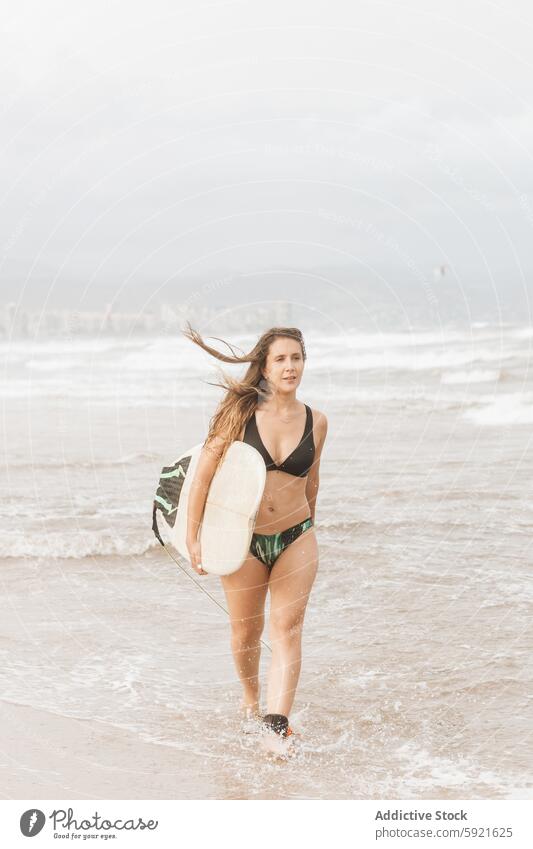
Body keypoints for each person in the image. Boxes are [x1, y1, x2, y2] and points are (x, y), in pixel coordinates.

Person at [182, 322, 328, 738]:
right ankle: (250, 698)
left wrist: (311, 524)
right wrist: (194, 537)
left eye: (296, 358)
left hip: (297, 535)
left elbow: (312, 481)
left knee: (288, 628)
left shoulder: (317, 421)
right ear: (264, 368)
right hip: (242, 540)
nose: (290, 366)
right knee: (246, 630)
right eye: (280, 359)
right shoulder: (239, 413)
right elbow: (203, 477)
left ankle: (276, 725)